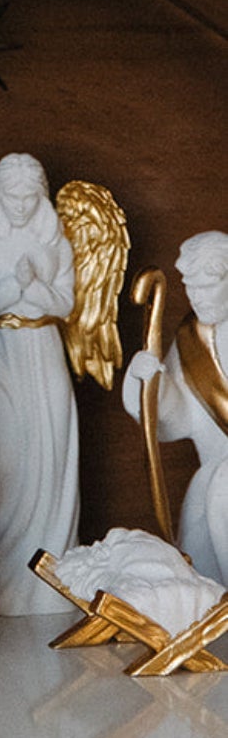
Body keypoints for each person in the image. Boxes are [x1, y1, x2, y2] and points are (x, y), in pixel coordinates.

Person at [0, 154, 80, 614]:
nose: (22, 205)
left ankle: (44, 578)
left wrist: (35, 288)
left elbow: (64, 304)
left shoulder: (55, 243)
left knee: (47, 459)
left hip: (44, 354)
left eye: (31, 196)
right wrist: (13, 283)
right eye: (13, 196)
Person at [121, 231, 228, 587]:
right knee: (198, 535)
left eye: (207, 286)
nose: (196, 297)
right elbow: (180, 416)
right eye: (190, 287)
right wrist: (153, 382)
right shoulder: (193, 338)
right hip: (213, 471)